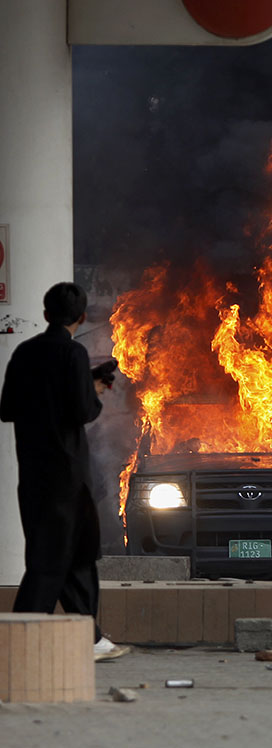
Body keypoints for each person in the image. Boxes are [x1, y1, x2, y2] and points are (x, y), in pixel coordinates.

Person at [0, 282, 129, 661]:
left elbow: (6, 408)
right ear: (82, 317)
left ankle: (91, 638)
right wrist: (96, 390)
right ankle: (16, 641)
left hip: (34, 475)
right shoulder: (72, 354)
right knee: (52, 560)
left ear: (44, 314)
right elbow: (83, 412)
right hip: (67, 476)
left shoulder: (24, 352)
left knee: (75, 556)